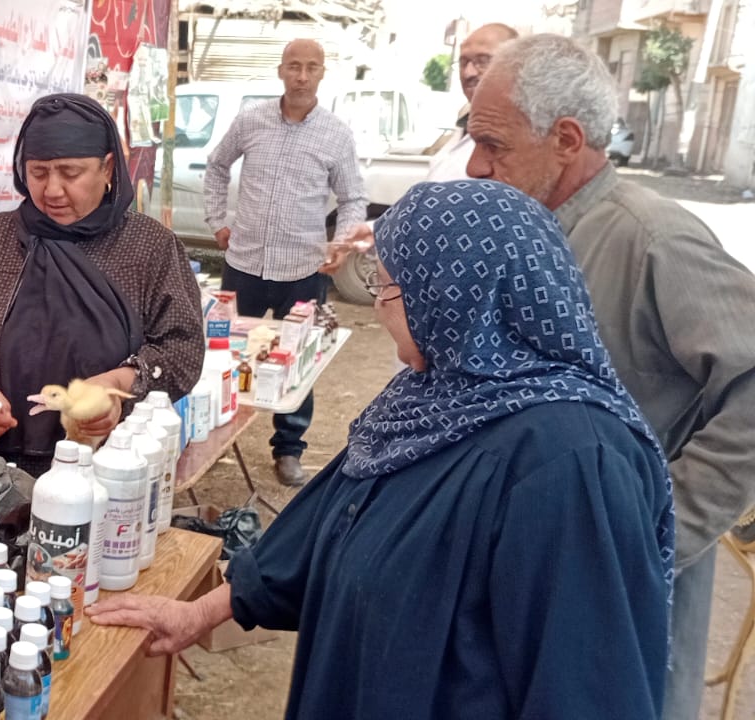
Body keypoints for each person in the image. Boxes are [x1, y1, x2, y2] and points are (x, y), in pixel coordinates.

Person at [91, 180, 675, 719]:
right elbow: (335, 519)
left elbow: (589, 691)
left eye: (391, 287)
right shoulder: (434, 396)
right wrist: (199, 613)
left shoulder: (572, 464)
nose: (377, 304)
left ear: (459, 299)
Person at [466, 34, 755, 720]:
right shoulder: (528, 229)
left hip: (626, 583)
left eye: (494, 145)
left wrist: (661, 526)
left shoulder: (653, 238)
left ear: (566, 140)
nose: (475, 167)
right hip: (536, 567)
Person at [0, 93, 203, 476]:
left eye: (70, 172)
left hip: (110, 470)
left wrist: (119, 386)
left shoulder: (149, 248)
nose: (52, 190)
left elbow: (182, 349)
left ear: (108, 168)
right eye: (39, 172)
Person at [203, 39, 369, 486]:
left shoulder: (336, 134)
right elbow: (216, 166)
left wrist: (341, 244)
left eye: (311, 67)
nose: (301, 76)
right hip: (244, 263)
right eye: (294, 66)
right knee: (226, 353)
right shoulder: (251, 119)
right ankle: (216, 433)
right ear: (280, 70)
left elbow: (353, 197)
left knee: (297, 362)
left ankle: (289, 448)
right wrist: (217, 221)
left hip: (303, 269)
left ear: (322, 73)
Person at [423, 23, 519, 182]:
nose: (469, 72)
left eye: (482, 61)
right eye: (463, 62)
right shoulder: (464, 121)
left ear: (515, 65)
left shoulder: (522, 131)